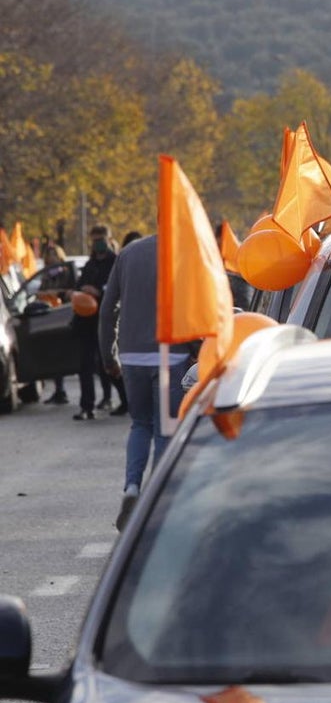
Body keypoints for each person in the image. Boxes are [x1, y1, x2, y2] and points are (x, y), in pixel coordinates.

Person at [99, 234, 193, 531]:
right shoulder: (183, 251)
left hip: (131, 355)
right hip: (170, 354)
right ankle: (157, 500)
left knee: (140, 424)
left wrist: (107, 355)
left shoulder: (127, 254)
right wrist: (197, 350)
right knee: (166, 426)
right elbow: (195, 306)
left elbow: (106, 310)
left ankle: (132, 488)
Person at [70, 225, 127, 420]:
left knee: (108, 363)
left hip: (106, 320)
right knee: (85, 366)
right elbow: (78, 287)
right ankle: (87, 407)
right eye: (94, 240)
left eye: (100, 239)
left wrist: (100, 292)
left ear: (109, 238)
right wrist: (79, 291)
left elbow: (119, 289)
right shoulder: (89, 264)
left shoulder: (115, 262)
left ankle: (124, 399)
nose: (98, 244)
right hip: (85, 322)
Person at [40, 244, 72, 404]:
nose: (50, 258)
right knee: (53, 355)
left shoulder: (66, 273)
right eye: (48, 255)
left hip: (64, 316)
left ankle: (62, 391)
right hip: (48, 317)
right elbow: (40, 290)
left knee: (63, 354)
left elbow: (71, 291)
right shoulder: (45, 275)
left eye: (53, 255)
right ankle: (59, 389)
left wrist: (58, 293)